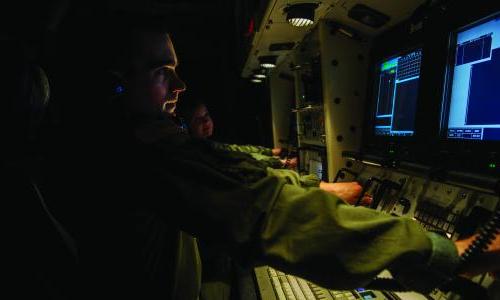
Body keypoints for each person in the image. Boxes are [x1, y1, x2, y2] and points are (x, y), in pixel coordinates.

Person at [50, 17, 500, 300]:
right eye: (161, 73)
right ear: (113, 87)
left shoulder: (117, 141)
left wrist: (311, 187)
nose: (180, 88)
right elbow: (261, 209)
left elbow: (225, 165)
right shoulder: (138, 149)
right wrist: (447, 252)